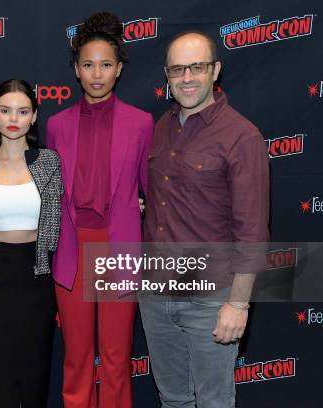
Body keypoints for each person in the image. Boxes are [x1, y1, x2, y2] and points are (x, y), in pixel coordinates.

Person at [139, 31, 269, 407]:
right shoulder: (160, 129)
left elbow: (252, 231)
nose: (187, 77)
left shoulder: (242, 137)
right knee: (173, 399)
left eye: (197, 67)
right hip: (156, 293)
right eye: (178, 69)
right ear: (167, 74)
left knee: (214, 401)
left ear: (215, 70)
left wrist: (239, 304)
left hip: (211, 298)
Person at [46, 12, 154, 408]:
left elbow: (150, 190)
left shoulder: (141, 124)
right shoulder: (57, 125)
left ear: (119, 69)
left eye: (106, 64)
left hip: (118, 246)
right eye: (88, 64)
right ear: (76, 70)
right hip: (72, 249)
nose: (97, 74)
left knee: (115, 358)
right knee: (76, 357)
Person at [0, 79, 62, 407]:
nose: (13, 118)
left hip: (36, 279)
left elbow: (54, 227)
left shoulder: (49, 163)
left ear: (34, 116)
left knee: (35, 375)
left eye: (22, 111)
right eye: (5, 110)